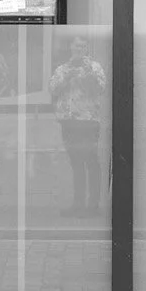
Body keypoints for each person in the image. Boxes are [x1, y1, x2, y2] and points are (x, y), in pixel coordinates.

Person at [50, 37, 107, 217]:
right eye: (76, 45)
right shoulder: (62, 69)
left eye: (83, 46)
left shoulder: (95, 67)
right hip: (69, 121)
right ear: (70, 47)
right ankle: (78, 205)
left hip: (89, 121)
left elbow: (100, 89)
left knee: (91, 161)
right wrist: (68, 75)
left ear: (86, 48)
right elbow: (53, 90)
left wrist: (87, 71)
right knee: (76, 163)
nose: (79, 48)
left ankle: (93, 206)